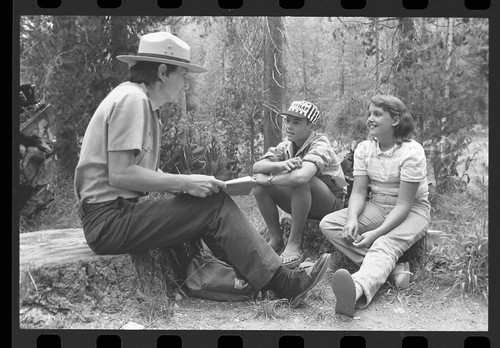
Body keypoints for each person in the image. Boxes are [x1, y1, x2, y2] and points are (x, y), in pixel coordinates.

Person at [73, 31, 331, 307]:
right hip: (109, 221)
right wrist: (186, 183)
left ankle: (255, 276)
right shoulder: (132, 100)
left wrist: (199, 183)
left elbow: (146, 175)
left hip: (119, 213)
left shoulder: (144, 105)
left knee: (209, 200)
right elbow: (121, 174)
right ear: (162, 71)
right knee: (214, 206)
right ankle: (284, 284)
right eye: (183, 74)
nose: (186, 82)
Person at [319, 95, 431, 317]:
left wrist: (375, 234)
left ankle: (357, 288)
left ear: (396, 120)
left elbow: (404, 205)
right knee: (330, 224)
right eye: (369, 114)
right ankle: (391, 268)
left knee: (383, 242)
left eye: (377, 114)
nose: (370, 119)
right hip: (378, 205)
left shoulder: (412, 152)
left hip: (413, 211)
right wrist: (351, 219)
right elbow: (359, 191)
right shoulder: (364, 149)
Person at [252, 101, 347, 268]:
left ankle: (294, 242)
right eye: (287, 121)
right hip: (302, 201)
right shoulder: (286, 146)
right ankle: (276, 238)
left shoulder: (320, 144)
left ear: (311, 125)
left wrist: (269, 180)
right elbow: (257, 167)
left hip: (330, 205)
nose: (289, 126)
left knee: (302, 180)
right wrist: (280, 165)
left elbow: (301, 177)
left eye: (296, 122)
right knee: (259, 186)